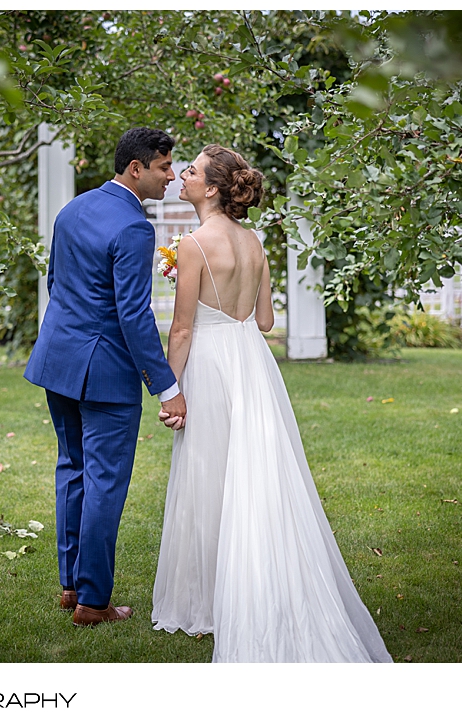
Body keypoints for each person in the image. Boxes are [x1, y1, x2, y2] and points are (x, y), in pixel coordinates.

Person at [151, 144, 392, 662]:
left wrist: (172, 390)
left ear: (212, 188)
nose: (182, 177)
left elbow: (183, 327)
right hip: (252, 364)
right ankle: (251, 583)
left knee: (209, 474)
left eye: (190, 172)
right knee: (255, 474)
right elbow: (265, 322)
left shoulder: (193, 244)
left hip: (212, 365)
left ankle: (214, 601)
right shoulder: (255, 241)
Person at [24, 127, 187, 627]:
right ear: (136, 168)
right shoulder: (135, 227)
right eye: (164, 167)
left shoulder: (72, 209)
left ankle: (72, 587)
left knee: (71, 469)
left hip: (58, 360)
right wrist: (168, 385)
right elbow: (134, 316)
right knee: (103, 483)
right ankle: (95, 603)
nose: (172, 176)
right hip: (106, 374)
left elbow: (56, 282)